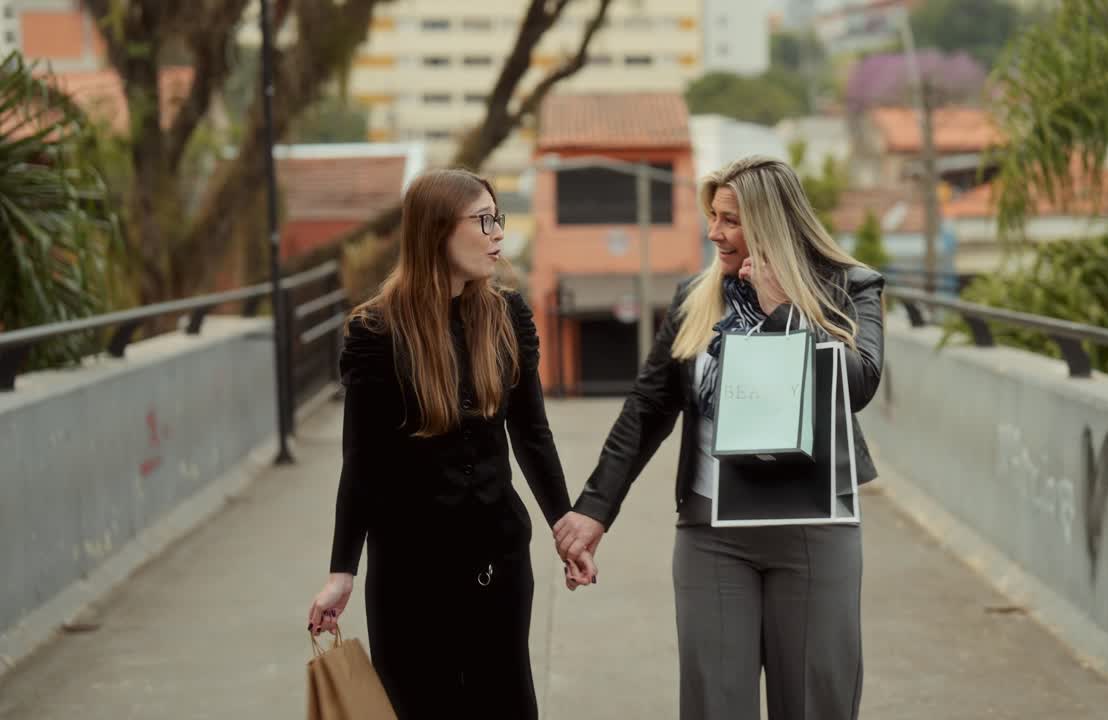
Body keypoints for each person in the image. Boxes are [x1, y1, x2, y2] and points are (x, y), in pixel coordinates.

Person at [554, 155, 886, 719]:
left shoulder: (848, 287)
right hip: (712, 533)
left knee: (815, 704)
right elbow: (648, 406)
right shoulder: (696, 297)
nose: (715, 232)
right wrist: (594, 510)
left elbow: (858, 385)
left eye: (729, 219)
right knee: (715, 706)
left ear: (769, 222)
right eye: (712, 216)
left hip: (813, 528)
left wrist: (783, 309)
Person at [307, 168, 595, 720]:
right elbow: (361, 463)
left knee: (505, 705)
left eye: (498, 219)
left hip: (499, 562)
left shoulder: (507, 316)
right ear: (438, 230)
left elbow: (532, 433)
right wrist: (343, 569)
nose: (497, 235)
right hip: (409, 574)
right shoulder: (378, 332)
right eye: (482, 220)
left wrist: (567, 528)